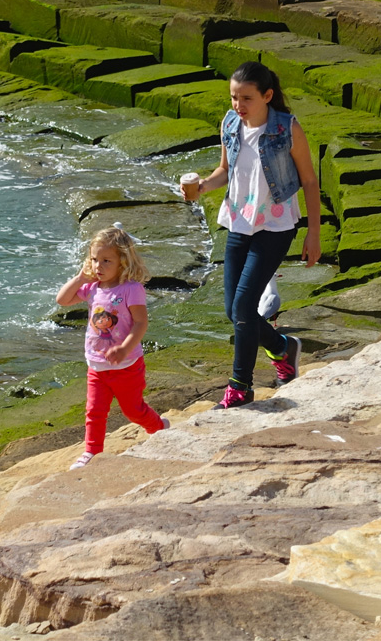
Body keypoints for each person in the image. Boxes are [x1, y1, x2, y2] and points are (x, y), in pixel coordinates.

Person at [181, 63, 322, 409]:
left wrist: (314, 233)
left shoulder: (287, 128)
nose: (238, 105)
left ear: (267, 96)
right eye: (233, 97)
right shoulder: (230, 124)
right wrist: (201, 188)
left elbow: (310, 181)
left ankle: (240, 388)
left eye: (246, 98)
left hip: (275, 226)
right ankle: (282, 347)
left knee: (245, 305)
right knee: (234, 310)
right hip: (238, 223)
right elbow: (224, 172)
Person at [55, 225, 169, 471]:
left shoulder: (131, 289)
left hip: (126, 365)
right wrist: (80, 278)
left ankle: (158, 427)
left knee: (134, 411)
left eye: (107, 260)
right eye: (95, 260)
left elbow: (141, 322)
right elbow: (62, 300)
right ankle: (92, 453)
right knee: (94, 412)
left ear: (123, 262)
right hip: (96, 365)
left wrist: (125, 349)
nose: (99, 266)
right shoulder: (92, 288)